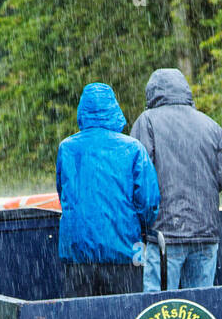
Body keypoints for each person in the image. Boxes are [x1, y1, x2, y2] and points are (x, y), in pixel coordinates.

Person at [130, 68, 222, 292]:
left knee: (159, 313)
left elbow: (137, 178)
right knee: (199, 311)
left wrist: (145, 218)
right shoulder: (211, 125)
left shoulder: (147, 122)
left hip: (164, 237)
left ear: (152, 93)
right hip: (206, 234)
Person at [56, 82, 159, 297]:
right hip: (124, 252)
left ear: (82, 111)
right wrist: (139, 227)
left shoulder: (67, 148)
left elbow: (64, 194)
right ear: (114, 109)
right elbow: (148, 202)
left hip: (79, 255)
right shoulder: (132, 149)